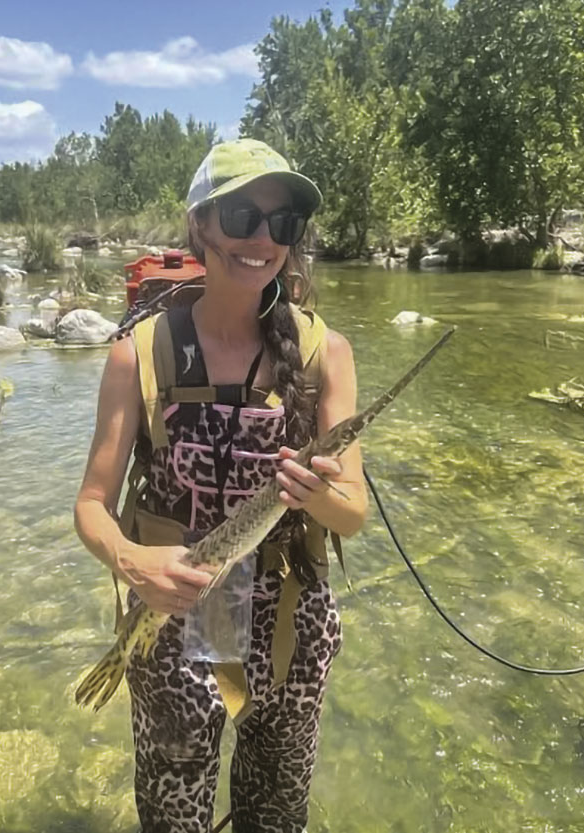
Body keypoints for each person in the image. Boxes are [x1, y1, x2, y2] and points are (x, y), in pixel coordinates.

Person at [74, 138, 368, 833]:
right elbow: (91, 505)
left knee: (274, 818)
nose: (262, 239)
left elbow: (350, 514)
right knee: (173, 818)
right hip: (173, 627)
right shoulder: (135, 354)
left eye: (283, 224)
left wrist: (315, 491)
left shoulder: (328, 352)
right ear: (199, 224)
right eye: (240, 216)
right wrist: (131, 559)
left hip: (290, 627)